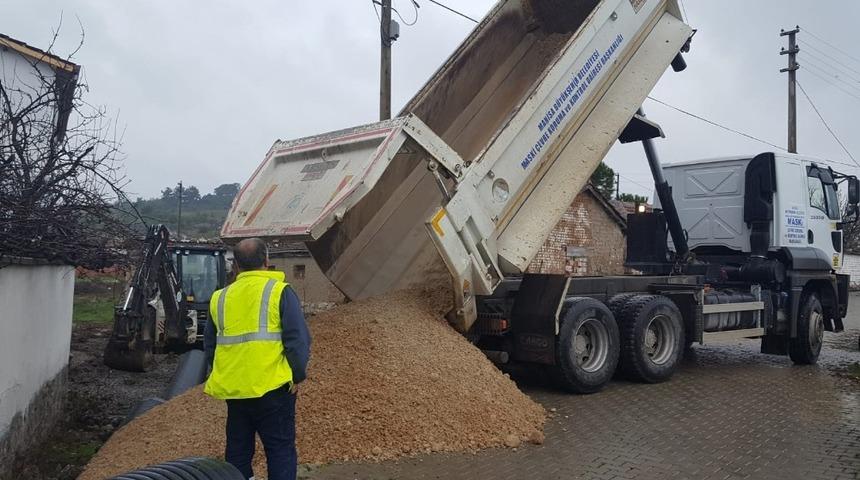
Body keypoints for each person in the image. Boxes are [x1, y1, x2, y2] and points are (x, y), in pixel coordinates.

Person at [203, 238, 311, 480]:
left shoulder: (219, 298)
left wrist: (224, 373)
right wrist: (297, 375)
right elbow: (297, 341)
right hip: (273, 389)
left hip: (235, 391)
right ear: (267, 261)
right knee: (280, 450)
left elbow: (210, 345)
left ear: (237, 265)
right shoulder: (280, 292)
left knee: (238, 453)